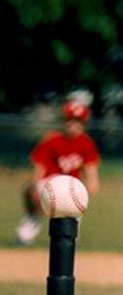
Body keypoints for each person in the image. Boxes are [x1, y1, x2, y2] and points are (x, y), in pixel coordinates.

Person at [15, 100, 100, 246]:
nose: (73, 125)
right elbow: (39, 166)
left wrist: (93, 182)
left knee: (73, 206)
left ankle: (69, 240)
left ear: (83, 124)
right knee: (33, 198)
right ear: (64, 121)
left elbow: (90, 167)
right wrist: (35, 186)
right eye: (69, 120)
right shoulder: (53, 140)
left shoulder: (86, 143)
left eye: (78, 122)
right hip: (49, 183)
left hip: (72, 185)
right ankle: (26, 234)